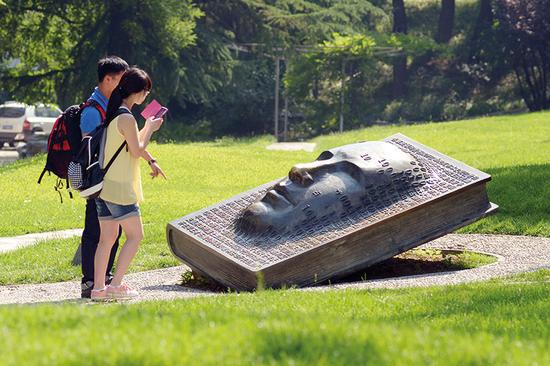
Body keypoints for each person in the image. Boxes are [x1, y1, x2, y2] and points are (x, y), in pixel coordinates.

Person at [80, 56, 165, 298]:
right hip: (119, 188)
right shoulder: (126, 117)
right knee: (136, 236)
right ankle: (116, 285)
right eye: (145, 91)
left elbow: (132, 146)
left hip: (105, 188)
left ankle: (98, 289)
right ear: (137, 92)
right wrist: (150, 127)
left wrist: (152, 159)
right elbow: (136, 150)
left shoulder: (114, 114)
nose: (146, 96)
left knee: (107, 239)